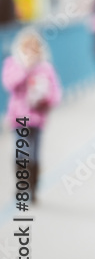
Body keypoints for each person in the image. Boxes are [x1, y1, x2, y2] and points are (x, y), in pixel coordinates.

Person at [3, 27, 61, 201]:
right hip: (19, 118)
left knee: (34, 154)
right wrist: (25, 68)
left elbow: (56, 93)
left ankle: (33, 187)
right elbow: (10, 84)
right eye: (26, 47)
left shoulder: (45, 68)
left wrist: (45, 99)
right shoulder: (13, 64)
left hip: (37, 118)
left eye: (33, 48)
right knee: (20, 153)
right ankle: (21, 184)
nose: (30, 52)